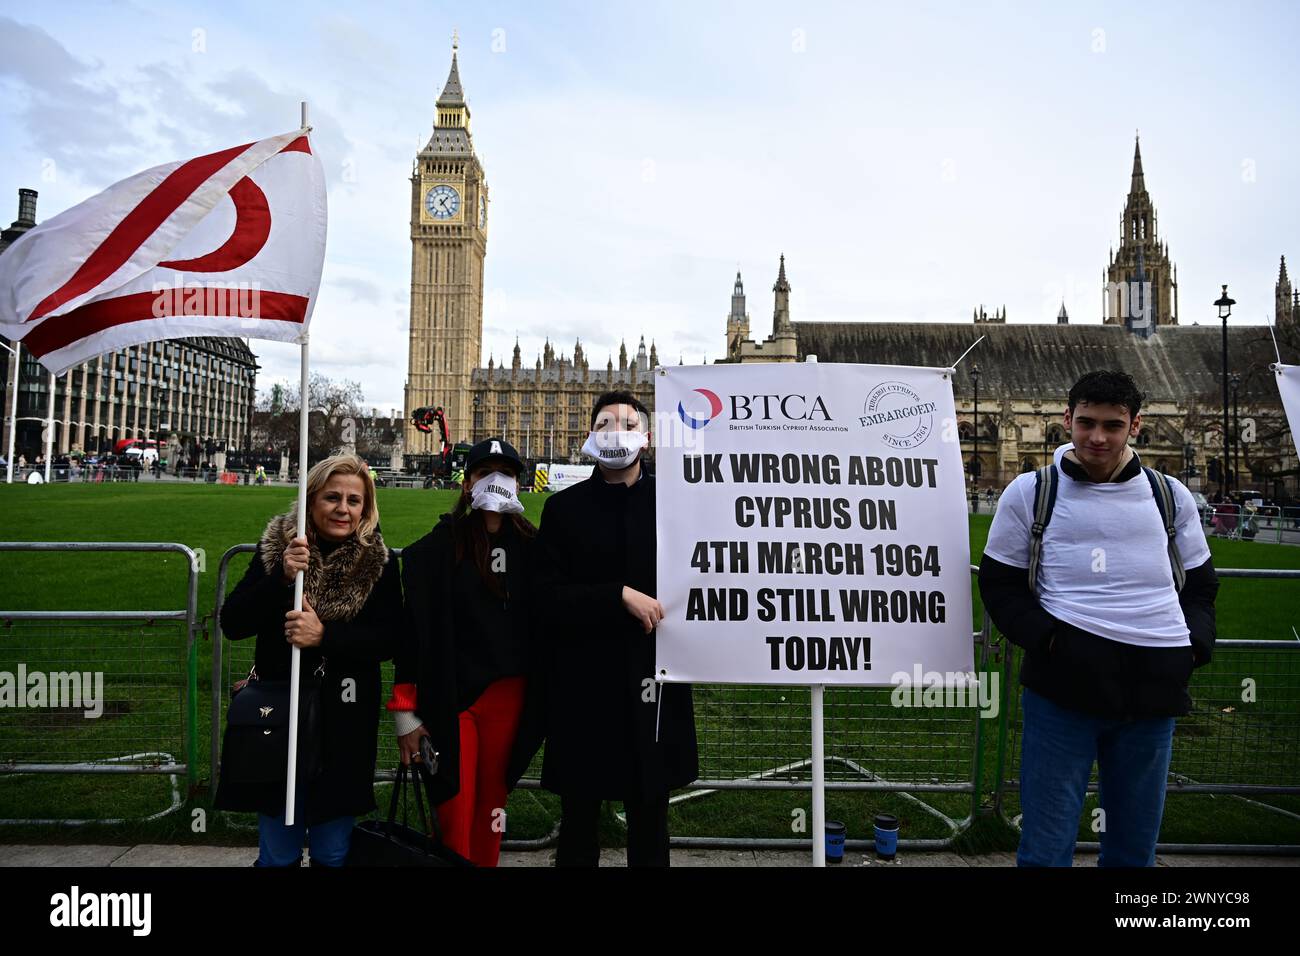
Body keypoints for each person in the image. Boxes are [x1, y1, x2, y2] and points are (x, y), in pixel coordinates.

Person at [978, 370, 1219, 867]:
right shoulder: (1030, 492)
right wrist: (1048, 642)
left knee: (1133, 849)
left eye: (1113, 425)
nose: (1097, 437)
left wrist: (1194, 645)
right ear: (1066, 419)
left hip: (1153, 691)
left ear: (1136, 425)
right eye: (1085, 422)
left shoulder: (1169, 495)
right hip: (1063, 691)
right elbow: (999, 585)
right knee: (1046, 845)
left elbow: (1200, 585)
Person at [533, 391, 698, 867]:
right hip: (585, 684)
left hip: (654, 682)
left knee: (650, 822)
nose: (616, 432)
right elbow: (545, 598)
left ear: (646, 438)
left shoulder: (675, 504)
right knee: (579, 822)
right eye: (605, 423)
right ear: (590, 435)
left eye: (628, 423)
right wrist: (617, 595)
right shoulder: (564, 510)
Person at [215, 453, 402, 866]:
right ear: (310, 500)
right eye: (332, 497)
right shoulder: (279, 552)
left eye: (354, 501)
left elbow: (390, 639)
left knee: (332, 852)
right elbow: (233, 622)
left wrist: (325, 636)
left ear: (366, 508)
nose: (343, 508)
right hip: (281, 717)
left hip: (345, 723)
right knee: (278, 853)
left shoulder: (379, 564)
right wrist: (279, 576)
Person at [388, 437, 542, 867]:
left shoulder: (535, 549)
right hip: (452, 698)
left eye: (506, 474)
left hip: (507, 698)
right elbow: (412, 631)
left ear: (519, 483)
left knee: (493, 807)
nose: (495, 482)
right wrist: (404, 711)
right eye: (483, 473)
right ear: (467, 484)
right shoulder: (439, 548)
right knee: (454, 807)